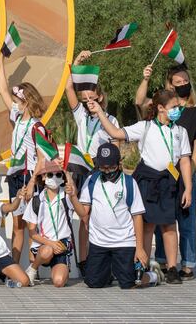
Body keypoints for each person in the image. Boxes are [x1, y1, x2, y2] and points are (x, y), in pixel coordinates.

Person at [88, 93, 193, 285]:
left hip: (169, 181)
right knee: (146, 225)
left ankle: (171, 268)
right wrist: (100, 112)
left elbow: (185, 161)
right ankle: (141, 264)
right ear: (161, 108)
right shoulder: (145, 127)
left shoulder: (181, 131)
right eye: (174, 106)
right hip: (148, 180)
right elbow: (116, 133)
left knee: (170, 226)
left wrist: (188, 188)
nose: (178, 110)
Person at [136, 64, 196, 279]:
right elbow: (139, 102)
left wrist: (189, 169)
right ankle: (163, 262)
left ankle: (187, 263)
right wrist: (145, 79)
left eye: (186, 81)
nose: (183, 85)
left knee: (185, 219)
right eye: (178, 82)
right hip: (162, 175)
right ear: (170, 85)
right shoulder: (165, 106)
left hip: (183, 171)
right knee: (162, 219)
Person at [64, 50, 120, 274]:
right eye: (84, 99)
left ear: (100, 98)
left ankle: (103, 258)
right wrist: (76, 63)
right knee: (84, 216)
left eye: (91, 99)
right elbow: (69, 88)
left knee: (101, 216)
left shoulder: (111, 120)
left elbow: (116, 148)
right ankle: (84, 261)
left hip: (100, 170)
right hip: (80, 168)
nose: (88, 103)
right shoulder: (81, 116)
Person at [76, 144, 159, 289]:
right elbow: (83, 214)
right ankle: (109, 271)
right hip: (99, 242)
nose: (107, 171)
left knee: (130, 283)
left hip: (124, 241)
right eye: (103, 167)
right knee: (93, 283)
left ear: (119, 163)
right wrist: (72, 196)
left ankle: (154, 275)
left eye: (111, 167)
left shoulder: (129, 182)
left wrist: (139, 248)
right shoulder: (91, 181)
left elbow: (137, 216)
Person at [0, 54, 48, 265]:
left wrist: (33, 183)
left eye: (17, 102)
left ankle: (32, 270)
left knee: (31, 226)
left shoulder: (38, 126)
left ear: (26, 103)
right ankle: (14, 267)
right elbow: (2, 90)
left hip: (29, 177)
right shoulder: (17, 118)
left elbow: (42, 158)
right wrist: (0, 63)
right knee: (17, 225)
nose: (14, 105)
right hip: (15, 176)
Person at [23, 161, 84, 287]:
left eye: (58, 175)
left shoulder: (66, 196)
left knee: (59, 281)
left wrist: (73, 195)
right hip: (43, 246)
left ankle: (61, 267)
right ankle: (33, 269)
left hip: (62, 245)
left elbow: (83, 214)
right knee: (47, 251)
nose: (55, 178)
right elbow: (32, 233)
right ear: (43, 177)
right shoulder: (36, 200)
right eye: (50, 175)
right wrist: (50, 243)